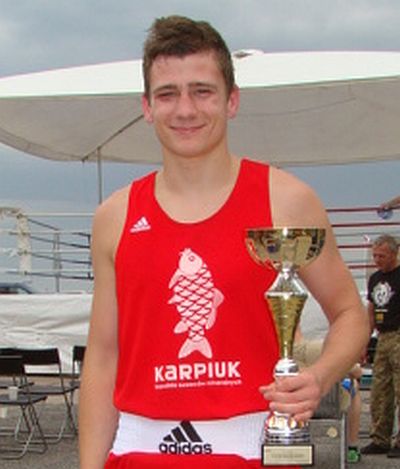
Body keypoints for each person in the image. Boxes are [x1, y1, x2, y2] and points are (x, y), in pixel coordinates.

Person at [79, 15, 369, 469]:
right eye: (168, 94)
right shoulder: (115, 216)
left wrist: (318, 376)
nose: (186, 110)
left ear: (232, 100)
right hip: (139, 451)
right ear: (147, 106)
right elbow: (102, 357)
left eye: (202, 91)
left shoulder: (286, 201)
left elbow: (350, 312)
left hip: (254, 449)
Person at [293, 327, 363, 464]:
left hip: (292, 406)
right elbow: (357, 372)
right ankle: (352, 446)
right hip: (328, 404)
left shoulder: (280, 355)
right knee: (353, 386)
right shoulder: (323, 350)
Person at [361, 234, 400, 458]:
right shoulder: (375, 278)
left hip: (398, 332)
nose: (377, 260)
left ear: (394, 254)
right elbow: (371, 308)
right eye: (375, 256)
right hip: (383, 336)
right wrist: (366, 339)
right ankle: (380, 438)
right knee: (380, 390)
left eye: (382, 256)